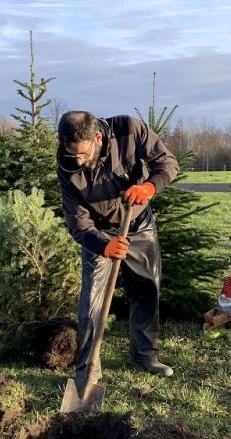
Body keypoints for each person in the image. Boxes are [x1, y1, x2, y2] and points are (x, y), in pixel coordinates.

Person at [56, 111, 179, 382]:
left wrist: (149, 187)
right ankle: (88, 368)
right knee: (92, 302)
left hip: (137, 221)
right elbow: (77, 222)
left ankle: (145, 354)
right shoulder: (67, 165)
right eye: (72, 153)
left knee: (146, 287)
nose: (78, 160)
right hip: (99, 231)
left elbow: (168, 163)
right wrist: (104, 245)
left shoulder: (129, 130)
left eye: (83, 154)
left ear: (97, 137)